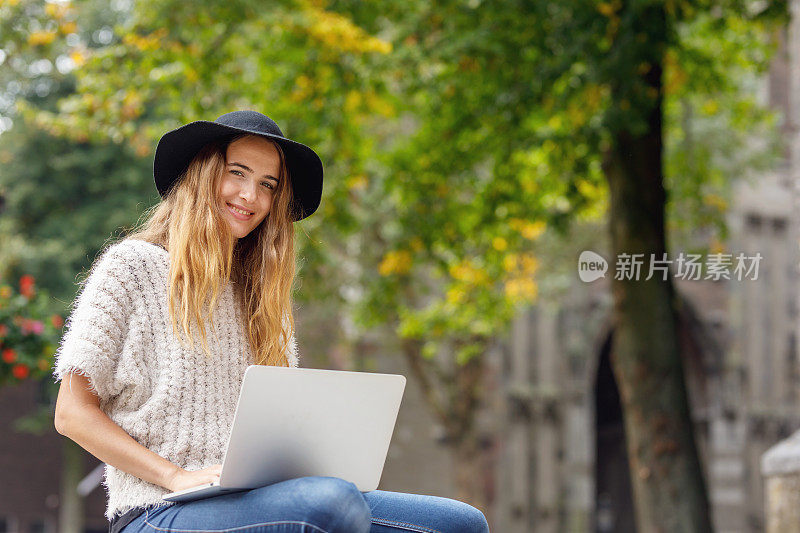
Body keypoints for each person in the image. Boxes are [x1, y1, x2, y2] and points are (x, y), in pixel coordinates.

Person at [52, 110, 490, 533]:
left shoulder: (263, 300)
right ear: (203, 175)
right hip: (156, 509)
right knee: (330, 505)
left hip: (256, 498)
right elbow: (72, 414)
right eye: (237, 173)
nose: (250, 197)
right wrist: (174, 476)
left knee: (461, 523)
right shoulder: (132, 267)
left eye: (267, 184)